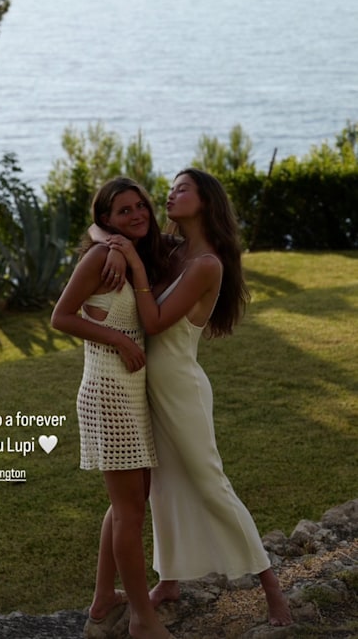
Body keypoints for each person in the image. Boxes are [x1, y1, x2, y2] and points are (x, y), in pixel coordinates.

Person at [102, 168, 293, 627]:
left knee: (210, 483)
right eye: (167, 190)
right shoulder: (172, 250)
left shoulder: (206, 264)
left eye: (181, 189)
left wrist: (132, 257)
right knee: (163, 488)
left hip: (180, 388)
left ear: (205, 200)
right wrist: (119, 244)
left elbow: (153, 322)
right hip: (148, 385)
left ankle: (273, 592)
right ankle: (169, 581)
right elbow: (102, 228)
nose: (168, 196)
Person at [50, 177, 176, 639]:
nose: (138, 214)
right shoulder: (102, 257)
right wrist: (118, 338)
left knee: (128, 504)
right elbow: (61, 316)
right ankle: (143, 619)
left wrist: (119, 243)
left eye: (140, 205)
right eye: (124, 211)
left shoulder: (135, 253)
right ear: (105, 220)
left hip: (131, 390)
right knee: (129, 512)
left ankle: (105, 600)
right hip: (107, 390)